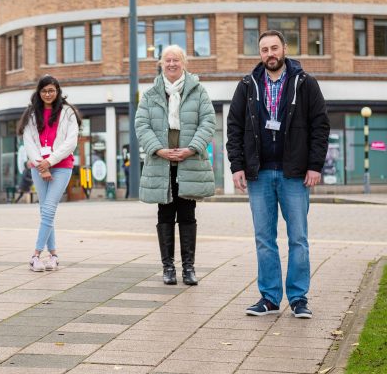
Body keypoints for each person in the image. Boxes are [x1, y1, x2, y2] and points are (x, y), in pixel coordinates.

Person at [227, 30, 329, 319]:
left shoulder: (305, 83)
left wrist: (315, 165)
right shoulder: (247, 85)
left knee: (298, 238)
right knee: (264, 238)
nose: (269, 54)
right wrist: (237, 165)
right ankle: (270, 298)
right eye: (264, 50)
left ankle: (298, 298)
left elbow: (320, 126)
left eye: (274, 48)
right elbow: (234, 128)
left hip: (294, 174)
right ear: (259, 54)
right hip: (259, 175)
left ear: (284, 49)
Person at [135, 45, 215, 286]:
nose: (171, 64)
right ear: (161, 64)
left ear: (184, 63)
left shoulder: (198, 91)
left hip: (189, 162)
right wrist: (159, 150)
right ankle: (168, 268)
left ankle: (188, 269)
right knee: (165, 214)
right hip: (162, 163)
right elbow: (142, 125)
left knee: (188, 215)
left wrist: (191, 148)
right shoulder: (150, 95)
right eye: (167, 60)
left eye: (176, 60)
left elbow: (208, 122)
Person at [18, 75, 80, 272]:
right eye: (44, 91)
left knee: (49, 208)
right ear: (39, 92)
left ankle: (35, 255)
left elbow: (71, 141)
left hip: (61, 166)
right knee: (45, 211)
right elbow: (28, 141)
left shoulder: (68, 112)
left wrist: (49, 161)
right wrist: (40, 165)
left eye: (51, 90)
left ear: (58, 91)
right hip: (39, 167)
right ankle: (53, 256)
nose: (47, 94)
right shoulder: (31, 113)